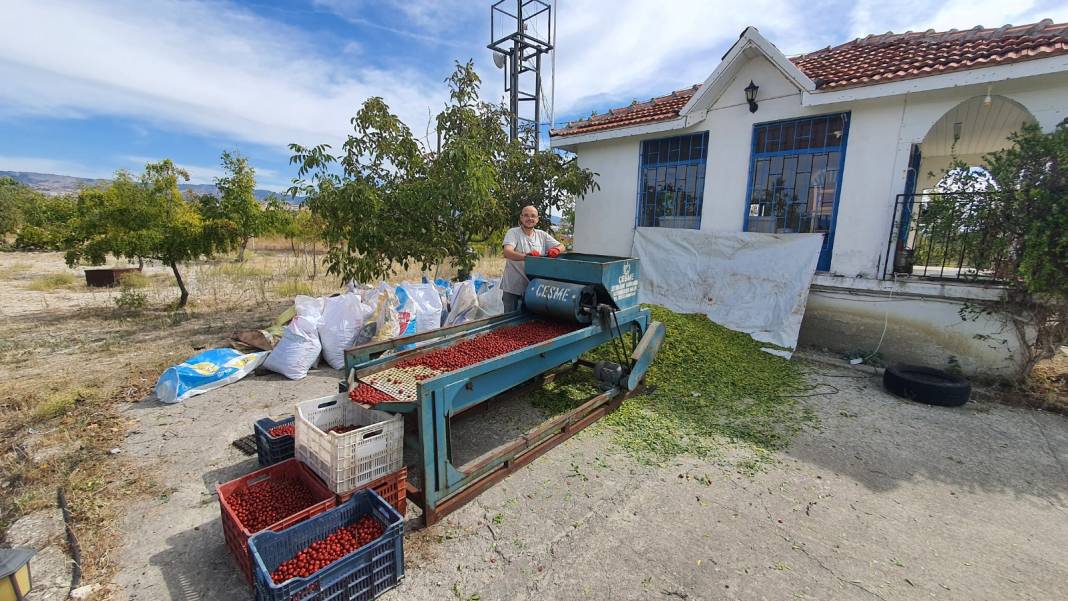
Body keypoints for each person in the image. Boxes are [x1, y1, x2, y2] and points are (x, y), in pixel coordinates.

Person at [501, 205, 566, 312]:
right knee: (510, 322)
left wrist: (556, 250)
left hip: (534, 289)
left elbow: (562, 246)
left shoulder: (542, 235)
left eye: (533, 216)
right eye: (526, 215)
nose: (529, 218)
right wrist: (527, 257)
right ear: (521, 218)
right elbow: (507, 252)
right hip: (513, 287)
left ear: (537, 219)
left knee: (528, 321)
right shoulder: (513, 233)